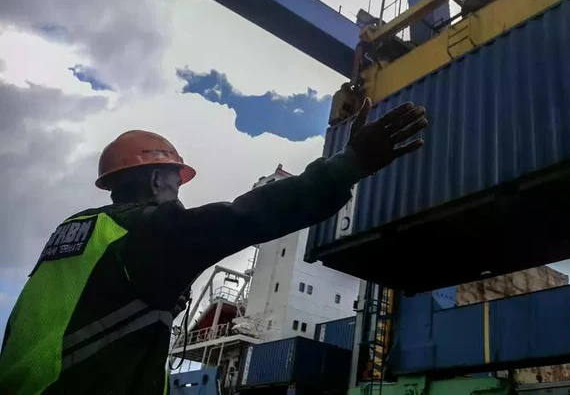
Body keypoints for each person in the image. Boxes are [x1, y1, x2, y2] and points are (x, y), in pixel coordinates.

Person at [0, 98, 427, 394]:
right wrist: (349, 164)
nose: (179, 195)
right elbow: (244, 217)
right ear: (155, 180)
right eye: (176, 183)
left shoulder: (74, 233)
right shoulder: (145, 233)